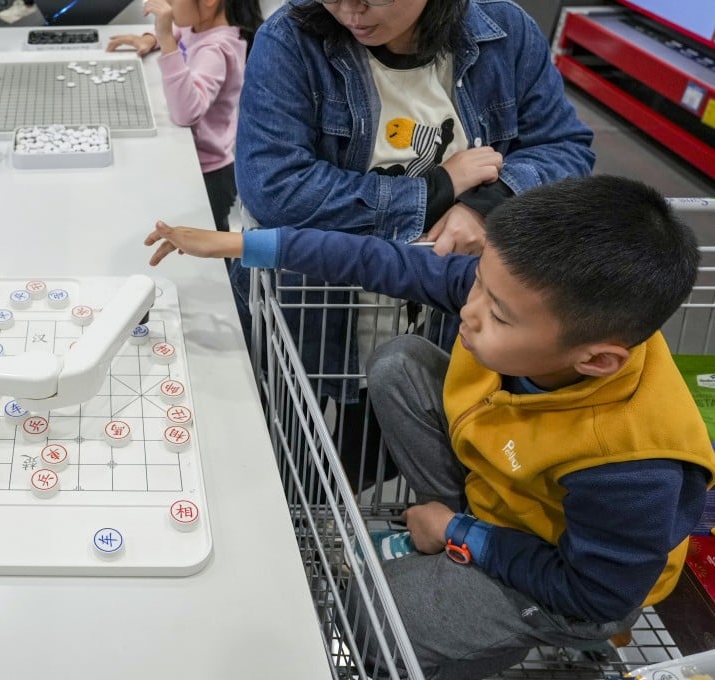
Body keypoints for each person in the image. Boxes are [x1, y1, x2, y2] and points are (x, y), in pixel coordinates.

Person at [144, 174, 715, 679]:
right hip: (504, 487)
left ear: (594, 360)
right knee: (400, 363)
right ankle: (452, 565)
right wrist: (244, 244)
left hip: (569, 582)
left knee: (375, 611)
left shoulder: (631, 465)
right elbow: (379, 261)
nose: (470, 309)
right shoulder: (516, 297)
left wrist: (460, 536)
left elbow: (597, 594)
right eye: (479, 284)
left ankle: (475, 641)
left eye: (498, 315)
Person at [230, 0, 595, 489]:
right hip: (312, 304)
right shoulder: (292, 39)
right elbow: (276, 186)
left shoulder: (503, 33)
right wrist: (437, 189)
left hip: (445, 309)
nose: (349, 13)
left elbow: (565, 147)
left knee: (397, 448)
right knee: (278, 450)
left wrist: (485, 204)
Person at [107, 0, 262, 232]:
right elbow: (180, 31)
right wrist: (151, 38)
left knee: (206, 249)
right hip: (191, 158)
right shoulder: (198, 26)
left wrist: (166, 39)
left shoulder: (216, 49)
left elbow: (186, 112)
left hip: (208, 175)